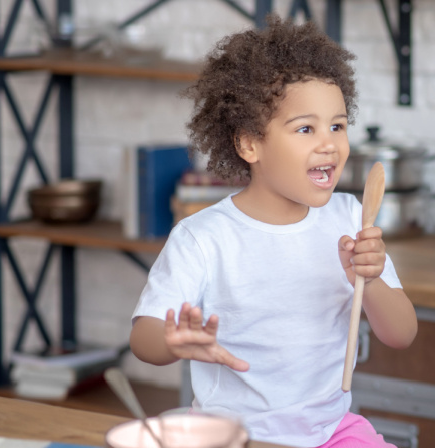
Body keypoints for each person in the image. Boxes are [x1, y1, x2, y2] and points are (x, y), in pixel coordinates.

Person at [129, 16, 418, 448]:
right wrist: (173, 340)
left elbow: (402, 335)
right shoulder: (203, 238)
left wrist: (371, 280)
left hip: (331, 432)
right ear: (250, 144)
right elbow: (143, 340)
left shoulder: (350, 217)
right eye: (306, 128)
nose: (329, 144)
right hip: (232, 438)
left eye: (337, 126)